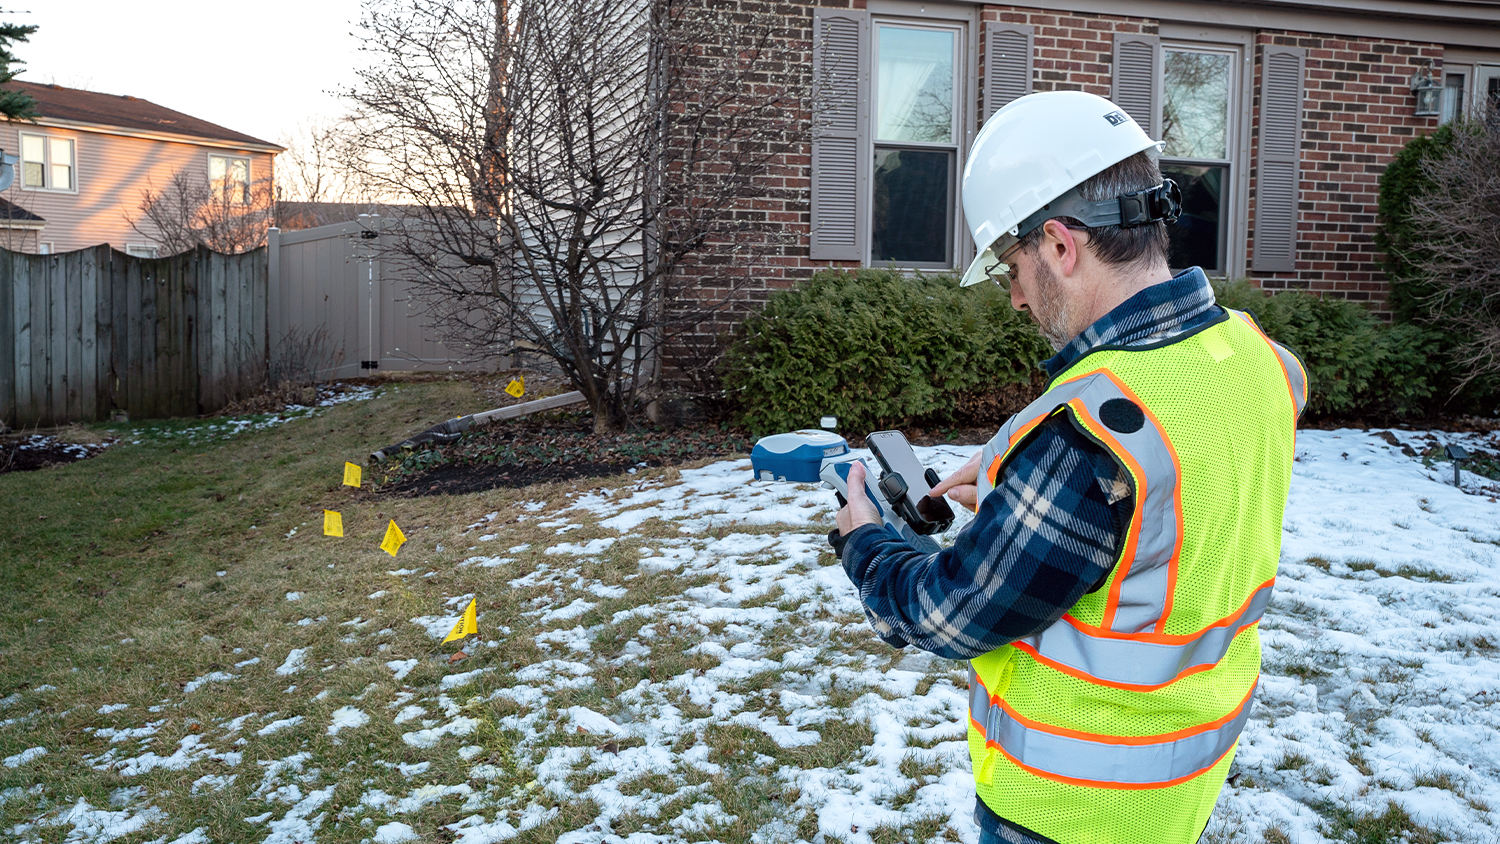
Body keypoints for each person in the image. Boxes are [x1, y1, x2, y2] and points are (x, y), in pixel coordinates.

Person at [830, 90, 1307, 844]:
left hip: (1070, 804)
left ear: (1060, 246)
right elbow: (1178, 472)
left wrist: (865, 541)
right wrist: (1015, 465)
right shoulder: (1260, 360)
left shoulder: (1085, 442)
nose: (1017, 299)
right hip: (1180, 781)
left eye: (1012, 270)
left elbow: (949, 614)